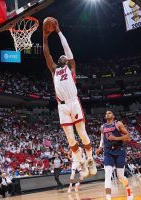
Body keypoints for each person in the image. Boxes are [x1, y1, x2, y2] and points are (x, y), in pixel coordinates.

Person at [43, 17, 96, 177]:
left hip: (74, 102)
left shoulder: (70, 67)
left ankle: (91, 160)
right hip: (62, 106)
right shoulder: (53, 69)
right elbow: (46, 54)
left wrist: (58, 31)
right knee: (70, 139)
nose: (63, 57)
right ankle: (81, 163)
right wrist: (45, 36)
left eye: (65, 57)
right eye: (62, 57)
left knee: (82, 133)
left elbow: (67, 49)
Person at [96, 111, 134, 200]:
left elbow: (128, 136)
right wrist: (100, 147)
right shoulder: (103, 126)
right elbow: (102, 138)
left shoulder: (118, 124)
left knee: (120, 176)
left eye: (109, 113)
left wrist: (116, 138)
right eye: (106, 113)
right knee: (108, 173)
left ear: (113, 116)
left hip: (119, 150)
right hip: (108, 152)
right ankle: (108, 198)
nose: (107, 114)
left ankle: (128, 189)